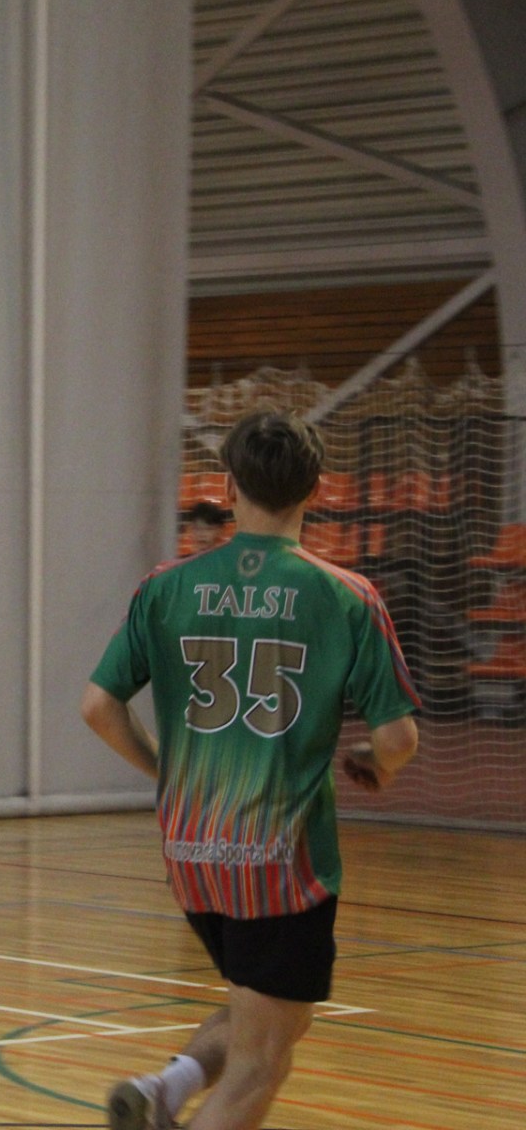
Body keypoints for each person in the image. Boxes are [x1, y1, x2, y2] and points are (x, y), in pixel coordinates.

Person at [81, 411, 420, 1130]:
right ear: (316, 489)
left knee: (272, 1013)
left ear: (230, 487)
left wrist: (166, 771)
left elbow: (97, 707)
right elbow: (398, 736)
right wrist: (378, 764)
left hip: (192, 854)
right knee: (264, 1060)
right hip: (279, 862)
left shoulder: (165, 588)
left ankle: (165, 1089)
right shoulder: (346, 596)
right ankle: (172, 1093)